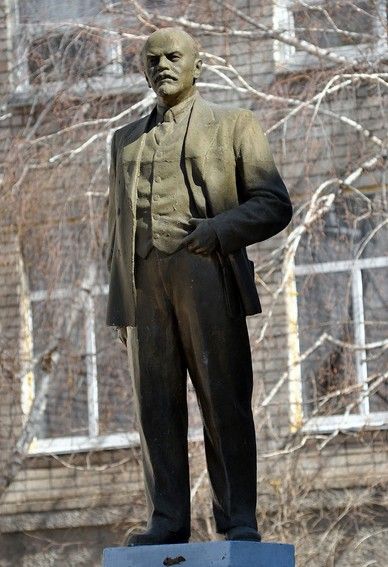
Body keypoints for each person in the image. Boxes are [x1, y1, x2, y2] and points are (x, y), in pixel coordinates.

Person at [106, 27, 292, 546]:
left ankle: (237, 520)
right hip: (144, 286)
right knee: (155, 406)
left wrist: (219, 231)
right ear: (143, 71)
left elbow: (274, 203)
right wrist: (119, 301)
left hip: (206, 271)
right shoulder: (122, 142)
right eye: (152, 59)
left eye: (174, 57)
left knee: (222, 397)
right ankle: (166, 520)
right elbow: (115, 228)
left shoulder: (234, 125)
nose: (163, 65)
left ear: (198, 65)